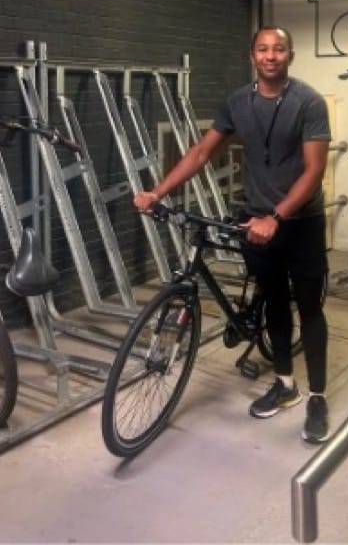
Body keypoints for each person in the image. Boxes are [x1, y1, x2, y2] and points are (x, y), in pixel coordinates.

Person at [134, 25, 331, 444]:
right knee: (274, 303)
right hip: (255, 221)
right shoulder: (237, 102)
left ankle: (317, 397)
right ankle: (285, 385)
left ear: (290, 56)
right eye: (263, 49)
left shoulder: (308, 102)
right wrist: (157, 192)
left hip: (301, 223)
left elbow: (315, 170)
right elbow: (201, 153)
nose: (271, 56)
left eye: (279, 49)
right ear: (252, 56)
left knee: (309, 308)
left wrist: (277, 216)